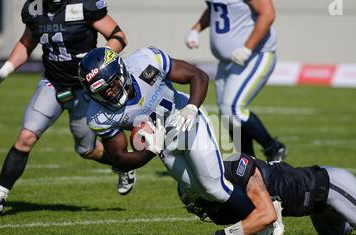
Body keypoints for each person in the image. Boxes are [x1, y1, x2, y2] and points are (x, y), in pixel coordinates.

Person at [0, 0, 134, 218]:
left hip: (84, 88)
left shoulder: (84, 5)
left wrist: (100, 62)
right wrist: (5, 70)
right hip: (53, 83)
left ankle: (123, 165)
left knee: (87, 150)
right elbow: (26, 43)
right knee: (26, 137)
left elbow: (119, 37)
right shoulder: (34, 9)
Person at [78, 46, 257, 225]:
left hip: (186, 122)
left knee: (214, 187)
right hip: (164, 145)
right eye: (100, 91)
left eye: (111, 85)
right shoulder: (98, 116)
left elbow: (197, 75)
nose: (108, 93)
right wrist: (149, 150)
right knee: (203, 194)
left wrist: (191, 107)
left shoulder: (146, 62)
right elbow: (120, 159)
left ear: (121, 71)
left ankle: (263, 220)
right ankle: (254, 220)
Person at [177, 153, 356, 235]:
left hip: (331, 186)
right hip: (317, 207)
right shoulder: (225, 184)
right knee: (341, 232)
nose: (196, 207)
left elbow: (267, 214)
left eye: (193, 199)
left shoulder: (238, 169)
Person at [185, 0, 286, 161]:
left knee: (232, 109)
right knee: (227, 117)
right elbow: (216, 9)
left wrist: (248, 47)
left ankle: (273, 147)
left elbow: (268, 14)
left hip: (255, 54)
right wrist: (196, 28)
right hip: (228, 61)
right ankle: (249, 163)